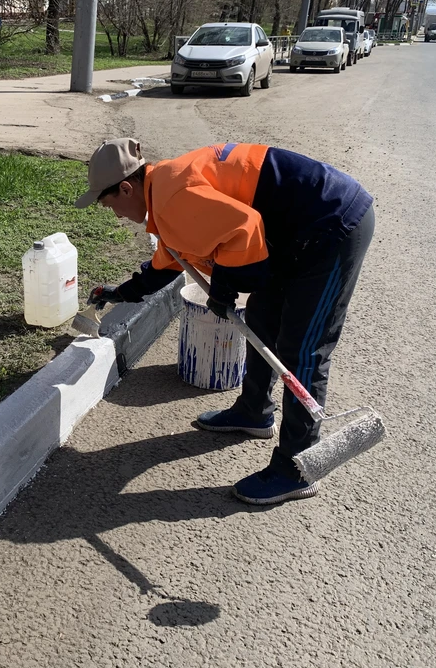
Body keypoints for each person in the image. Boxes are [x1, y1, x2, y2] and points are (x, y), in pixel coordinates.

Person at [77, 139, 375, 505]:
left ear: (126, 187)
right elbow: (169, 260)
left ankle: (296, 469)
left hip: (331, 226)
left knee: (304, 349)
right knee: (262, 322)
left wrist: (224, 287)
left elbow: (245, 228)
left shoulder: (173, 197)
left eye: (110, 204)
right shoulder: (164, 193)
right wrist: (121, 292)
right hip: (290, 235)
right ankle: (254, 411)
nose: (115, 214)